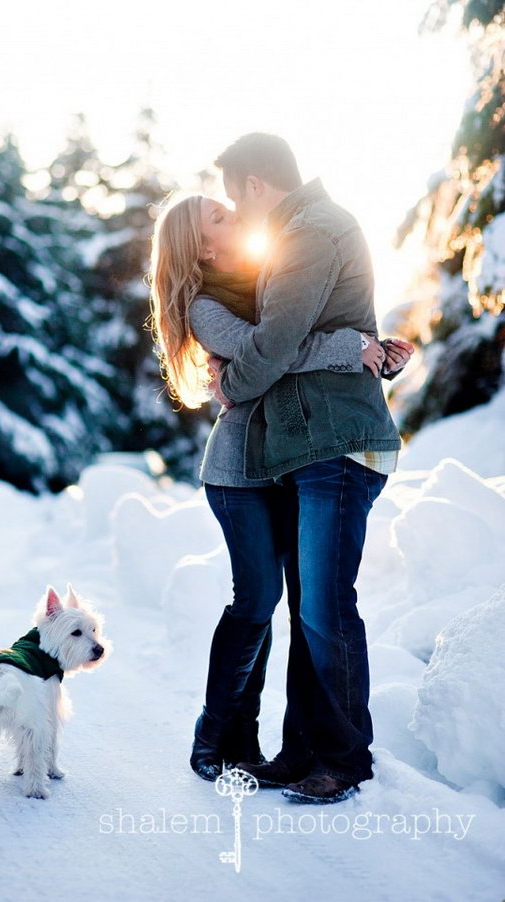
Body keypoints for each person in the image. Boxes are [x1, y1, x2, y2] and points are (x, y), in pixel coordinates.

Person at [148, 188, 412, 791]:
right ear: (201, 249)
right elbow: (268, 351)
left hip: (284, 465)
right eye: (220, 217)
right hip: (240, 471)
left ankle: (260, 741)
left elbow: (297, 343)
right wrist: (351, 348)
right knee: (256, 599)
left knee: (289, 605)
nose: (236, 216)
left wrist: (379, 356)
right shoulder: (207, 306)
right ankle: (215, 733)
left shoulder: (269, 276)